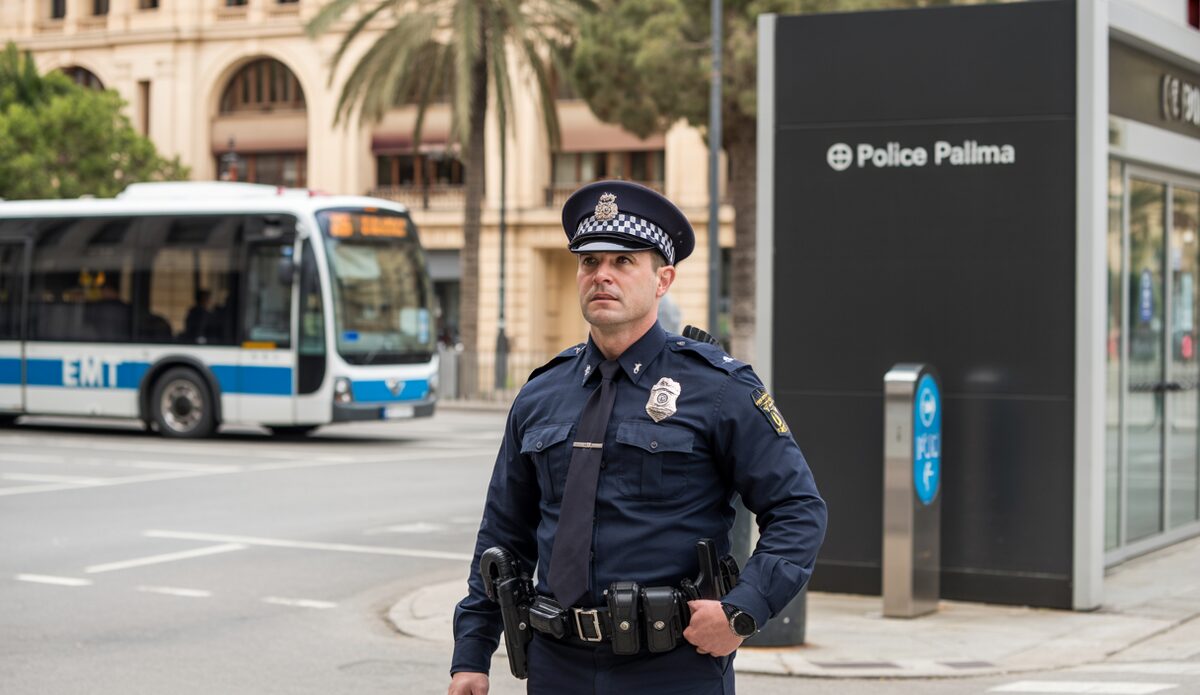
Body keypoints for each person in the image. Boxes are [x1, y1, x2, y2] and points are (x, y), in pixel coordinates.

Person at [449, 181, 826, 695]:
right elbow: (503, 533)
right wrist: (471, 654)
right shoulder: (542, 393)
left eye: (624, 261)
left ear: (663, 279)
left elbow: (799, 508)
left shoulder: (719, 389)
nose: (602, 274)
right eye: (590, 261)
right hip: (556, 664)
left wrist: (742, 611)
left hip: (673, 668)